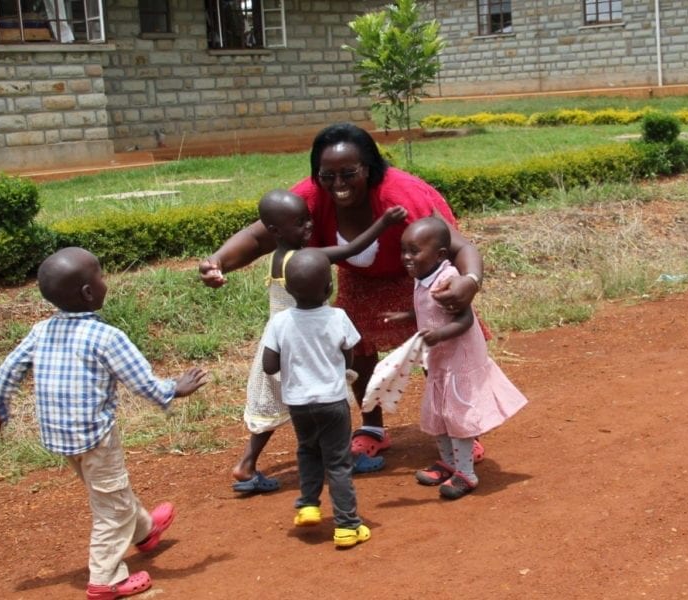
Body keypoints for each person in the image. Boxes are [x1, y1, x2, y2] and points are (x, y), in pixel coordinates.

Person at [200, 123, 485, 470]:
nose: (338, 185)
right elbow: (261, 236)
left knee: (437, 351)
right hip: (358, 277)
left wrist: (469, 280)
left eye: (349, 174)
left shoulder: (402, 196)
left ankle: (461, 428)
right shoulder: (312, 195)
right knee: (358, 349)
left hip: (412, 276)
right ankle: (372, 427)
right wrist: (217, 262)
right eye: (328, 175)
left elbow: (457, 244)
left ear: (369, 169)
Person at [0, 247, 210, 600]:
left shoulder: (41, 330)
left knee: (109, 491)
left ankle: (145, 532)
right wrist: (173, 390)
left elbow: (11, 367)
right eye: (100, 276)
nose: (105, 282)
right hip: (95, 438)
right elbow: (142, 383)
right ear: (89, 292)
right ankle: (106, 579)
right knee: (112, 507)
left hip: (60, 437)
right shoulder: (108, 338)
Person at [230, 189, 407, 492]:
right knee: (327, 402)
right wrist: (384, 222)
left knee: (278, 405)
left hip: (280, 341)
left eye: (308, 219)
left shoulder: (279, 257)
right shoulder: (304, 259)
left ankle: (246, 464)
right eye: (299, 223)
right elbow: (351, 249)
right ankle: (343, 459)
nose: (309, 227)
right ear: (274, 231)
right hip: (307, 344)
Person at [382, 218, 527, 499]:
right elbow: (430, 310)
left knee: (457, 416)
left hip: (458, 362)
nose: (406, 258)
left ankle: (466, 474)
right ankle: (447, 462)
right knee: (438, 413)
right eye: (403, 251)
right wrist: (408, 316)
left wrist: (439, 335)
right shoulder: (421, 278)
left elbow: (464, 319)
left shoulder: (447, 280)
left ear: (439, 256)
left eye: (414, 251)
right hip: (439, 361)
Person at [259, 248, 370, 547]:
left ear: (288, 289)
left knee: (308, 451)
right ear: (329, 287)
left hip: (298, 403)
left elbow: (269, 365)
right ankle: (347, 525)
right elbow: (350, 355)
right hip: (332, 402)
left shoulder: (280, 322)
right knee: (337, 462)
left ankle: (308, 505)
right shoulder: (338, 317)